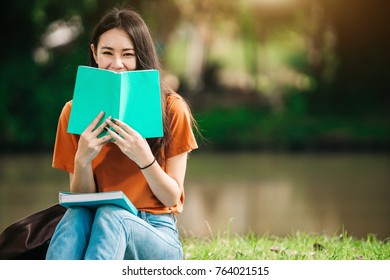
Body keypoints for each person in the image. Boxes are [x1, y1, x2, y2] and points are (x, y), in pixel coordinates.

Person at [45, 7, 198, 260]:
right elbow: (83, 199)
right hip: (97, 226)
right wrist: (82, 159)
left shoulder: (172, 109)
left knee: (111, 214)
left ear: (142, 57)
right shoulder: (73, 113)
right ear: (94, 53)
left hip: (156, 230)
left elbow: (171, 196)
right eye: (107, 53)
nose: (117, 64)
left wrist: (144, 158)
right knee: (75, 215)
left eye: (128, 54)